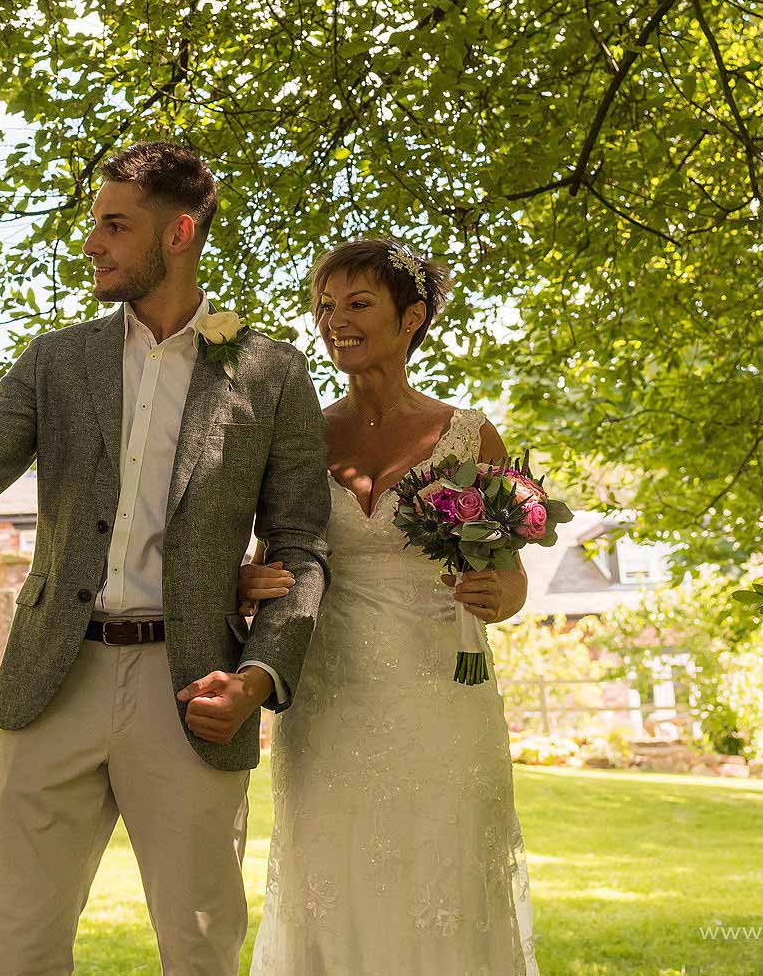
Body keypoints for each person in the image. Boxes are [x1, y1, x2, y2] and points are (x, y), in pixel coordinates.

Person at [0, 142, 331, 976]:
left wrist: (256, 677)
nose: (92, 243)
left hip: (194, 689)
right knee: (20, 946)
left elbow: (301, 546)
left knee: (201, 949)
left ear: (178, 233)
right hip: (52, 680)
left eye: (114, 225)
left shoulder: (269, 371)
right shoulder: (57, 360)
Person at [240, 237, 537, 975]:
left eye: (357, 303)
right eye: (324, 306)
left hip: (443, 697)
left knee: (443, 875)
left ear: (411, 319)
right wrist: (247, 583)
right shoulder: (298, 437)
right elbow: (271, 559)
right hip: (326, 700)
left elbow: (512, 578)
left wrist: (501, 595)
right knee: (331, 882)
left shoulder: (469, 435)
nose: (334, 320)